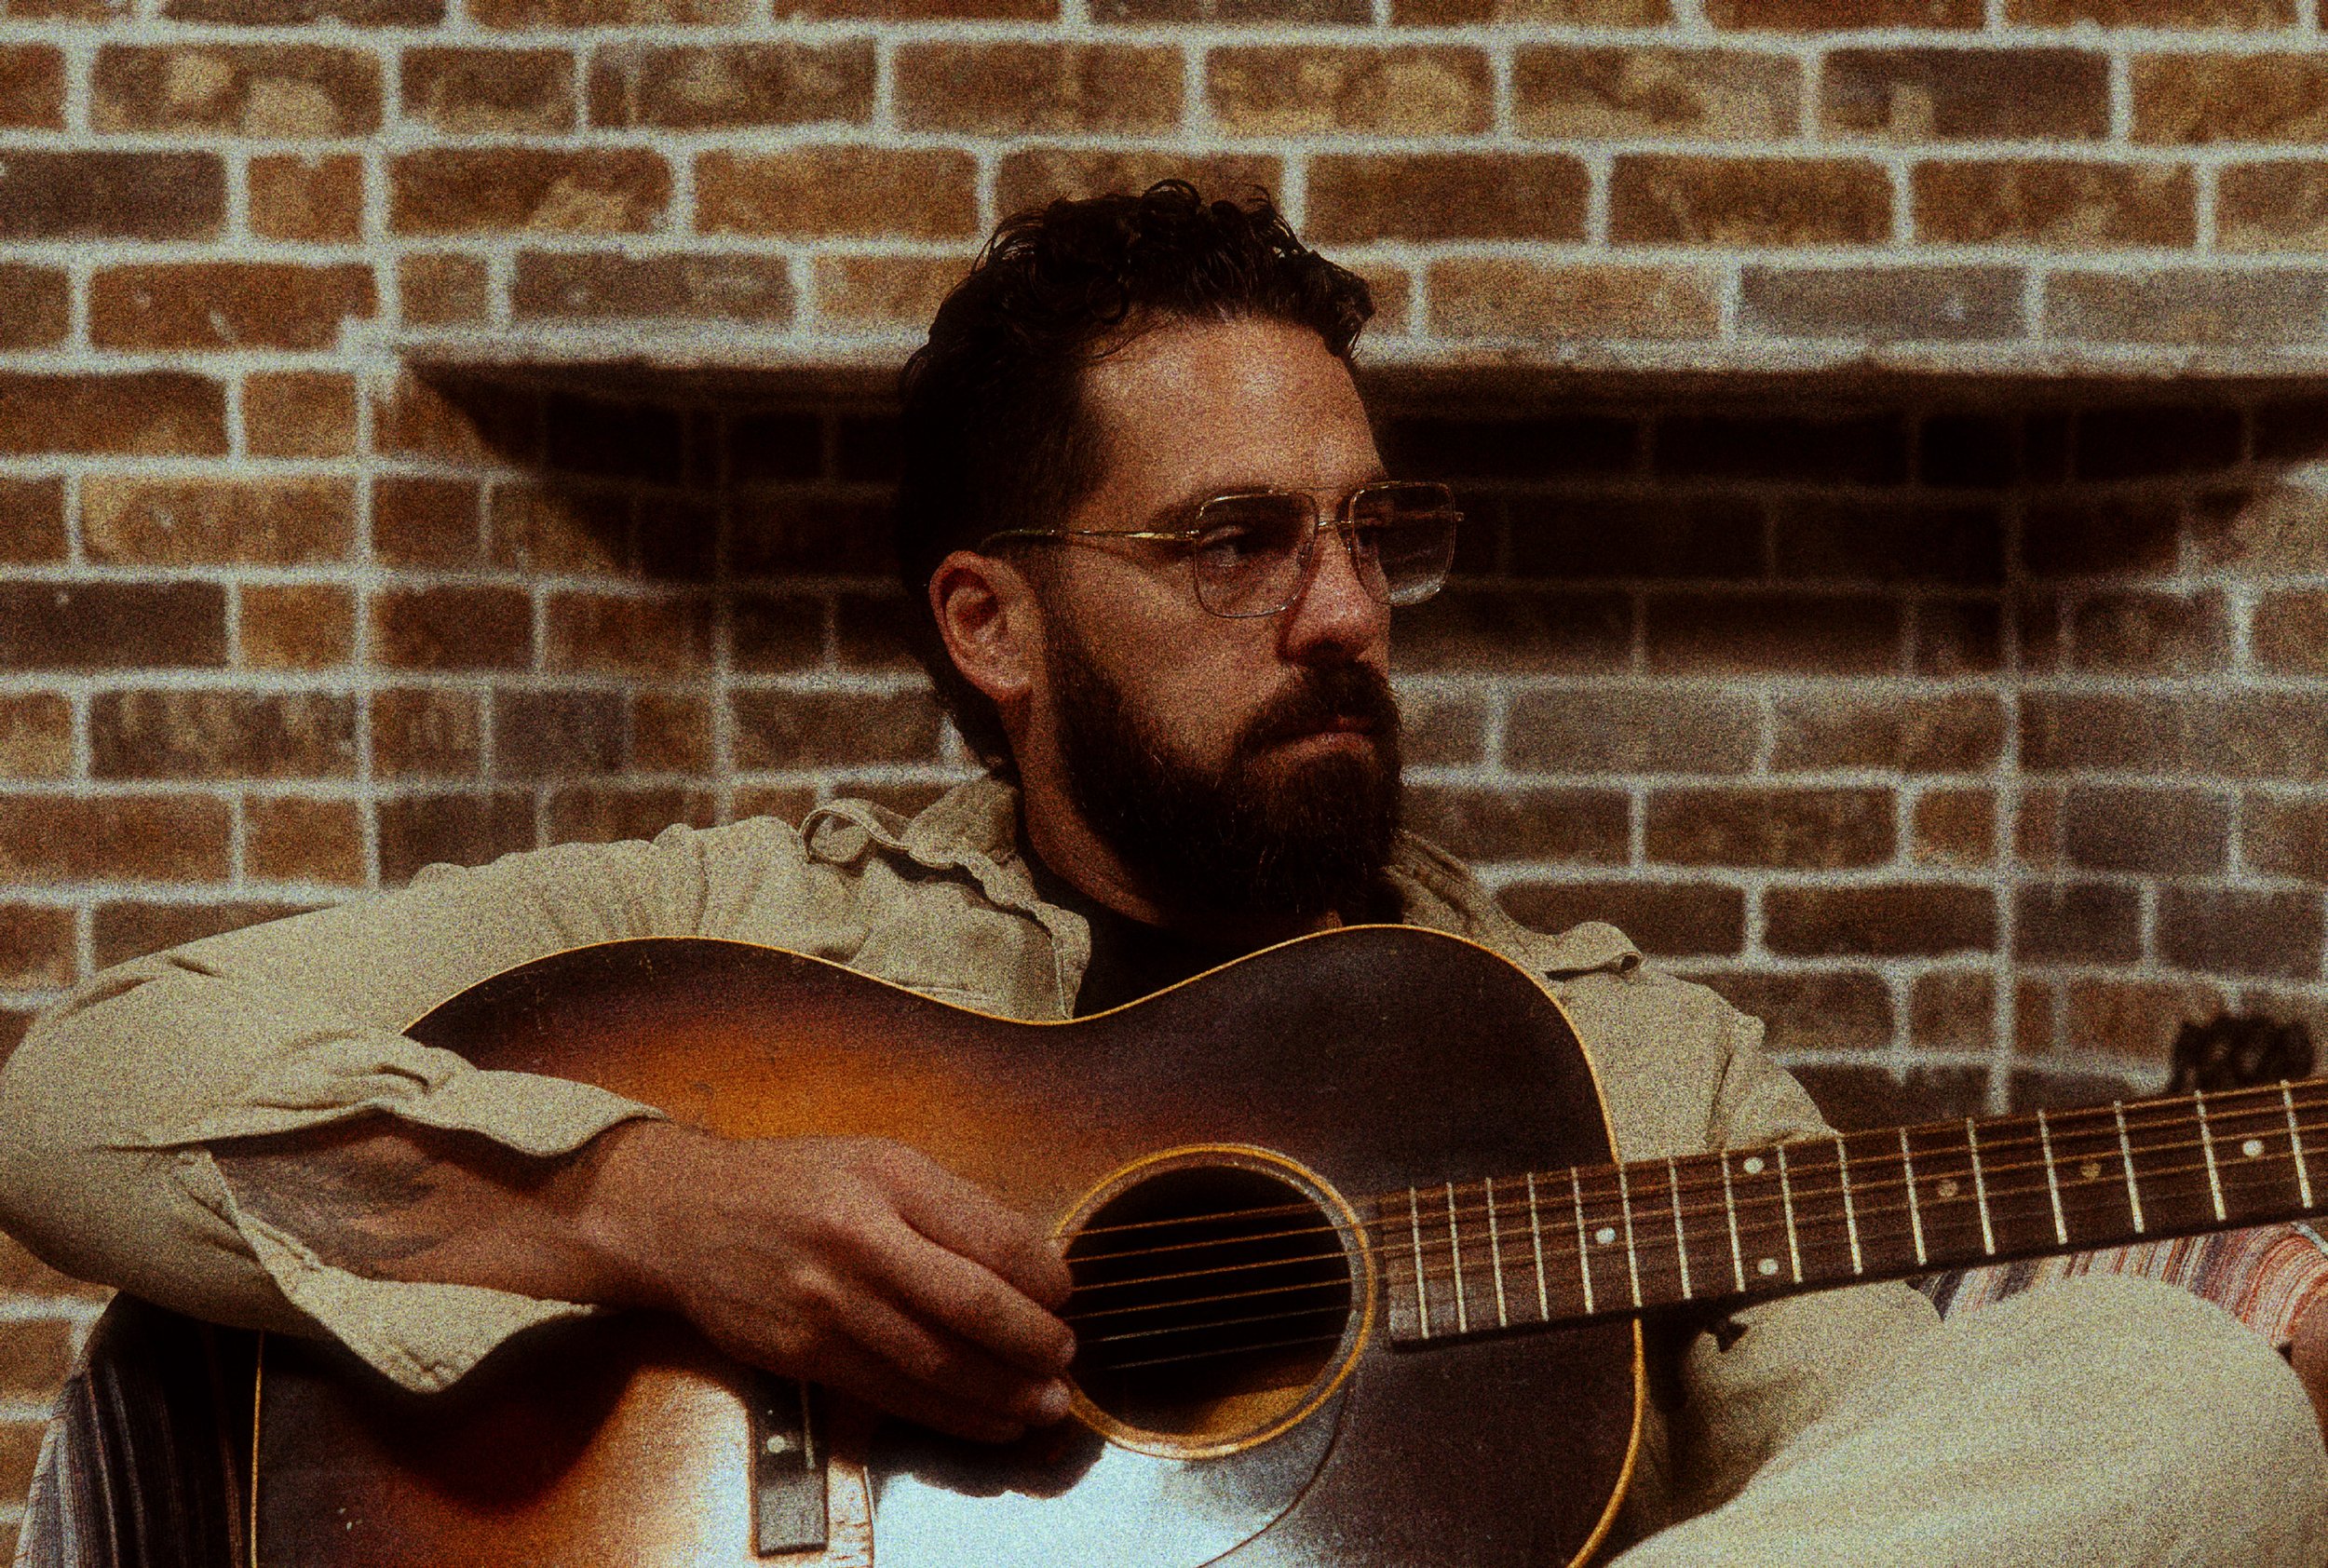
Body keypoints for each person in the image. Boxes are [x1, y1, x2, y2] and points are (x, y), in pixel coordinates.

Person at [0, 182, 2321, 1565]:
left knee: (2182, 1397)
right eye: (1233, 541)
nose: (1343, 610)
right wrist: (654, 1204)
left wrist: (2168, 1386)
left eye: (1369, 530)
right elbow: (72, 1088)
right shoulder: (741, 937)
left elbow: (1900, 1472)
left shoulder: (1625, 1052)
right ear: (988, 623)